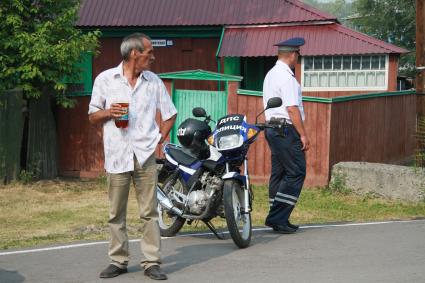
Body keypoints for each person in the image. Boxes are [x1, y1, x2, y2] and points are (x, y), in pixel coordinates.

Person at [88, 33, 177, 280]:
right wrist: (109, 112)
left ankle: (151, 262)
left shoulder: (153, 81)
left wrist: (159, 138)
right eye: (149, 53)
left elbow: (170, 114)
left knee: (149, 212)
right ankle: (118, 261)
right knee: (116, 212)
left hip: (145, 156)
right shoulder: (106, 79)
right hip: (117, 155)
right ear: (134, 54)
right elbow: (92, 116)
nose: (153, 57)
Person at [262, 37, 310, 234]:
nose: (298, 58)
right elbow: (291, 108)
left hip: (273, 128)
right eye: (298, 54)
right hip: (285, 129)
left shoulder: (271, 74)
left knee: (279, 173)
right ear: (292, 55)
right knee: (297, 171)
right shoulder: (287, 77)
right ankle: (277, 217)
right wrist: (304, 135)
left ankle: (279, 217)